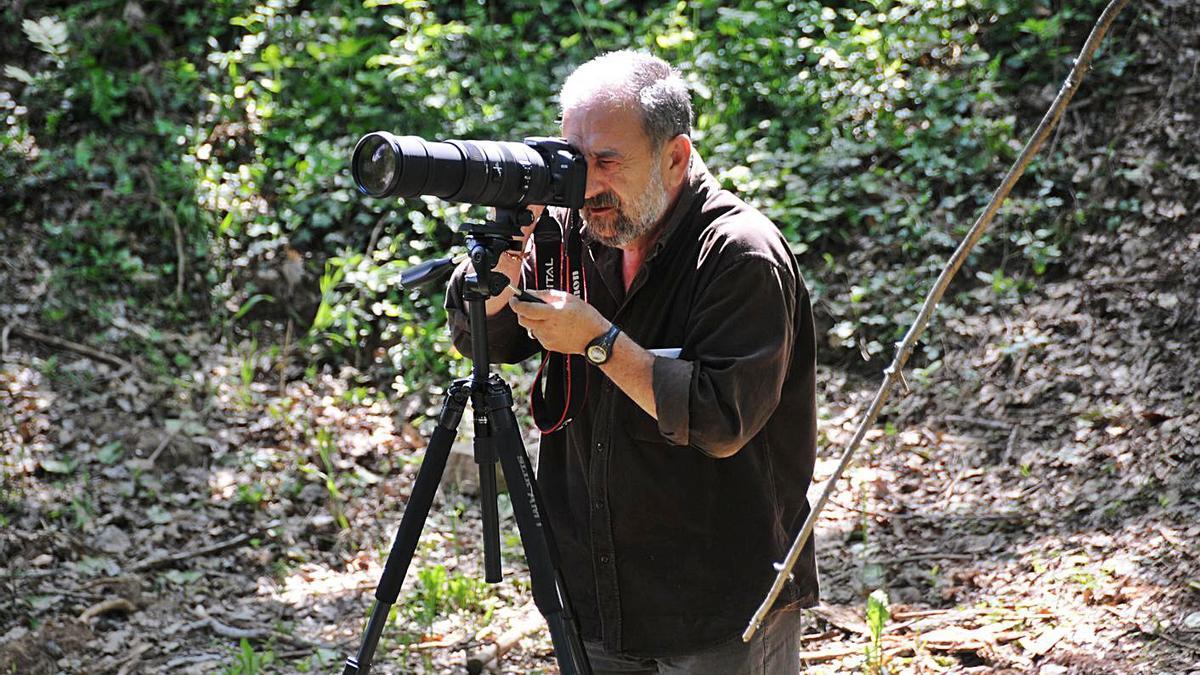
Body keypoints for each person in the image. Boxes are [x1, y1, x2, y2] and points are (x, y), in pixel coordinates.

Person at [445, 50, 818, 674]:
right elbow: (492, 339)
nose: (586, 186)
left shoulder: (740, 255)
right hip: (595, 595)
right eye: (573, 161)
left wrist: (598, 341)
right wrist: (503, 258)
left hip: (719, 610)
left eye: (608, 162)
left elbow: (719, 419)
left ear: (675, 156)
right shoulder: (571, 230)